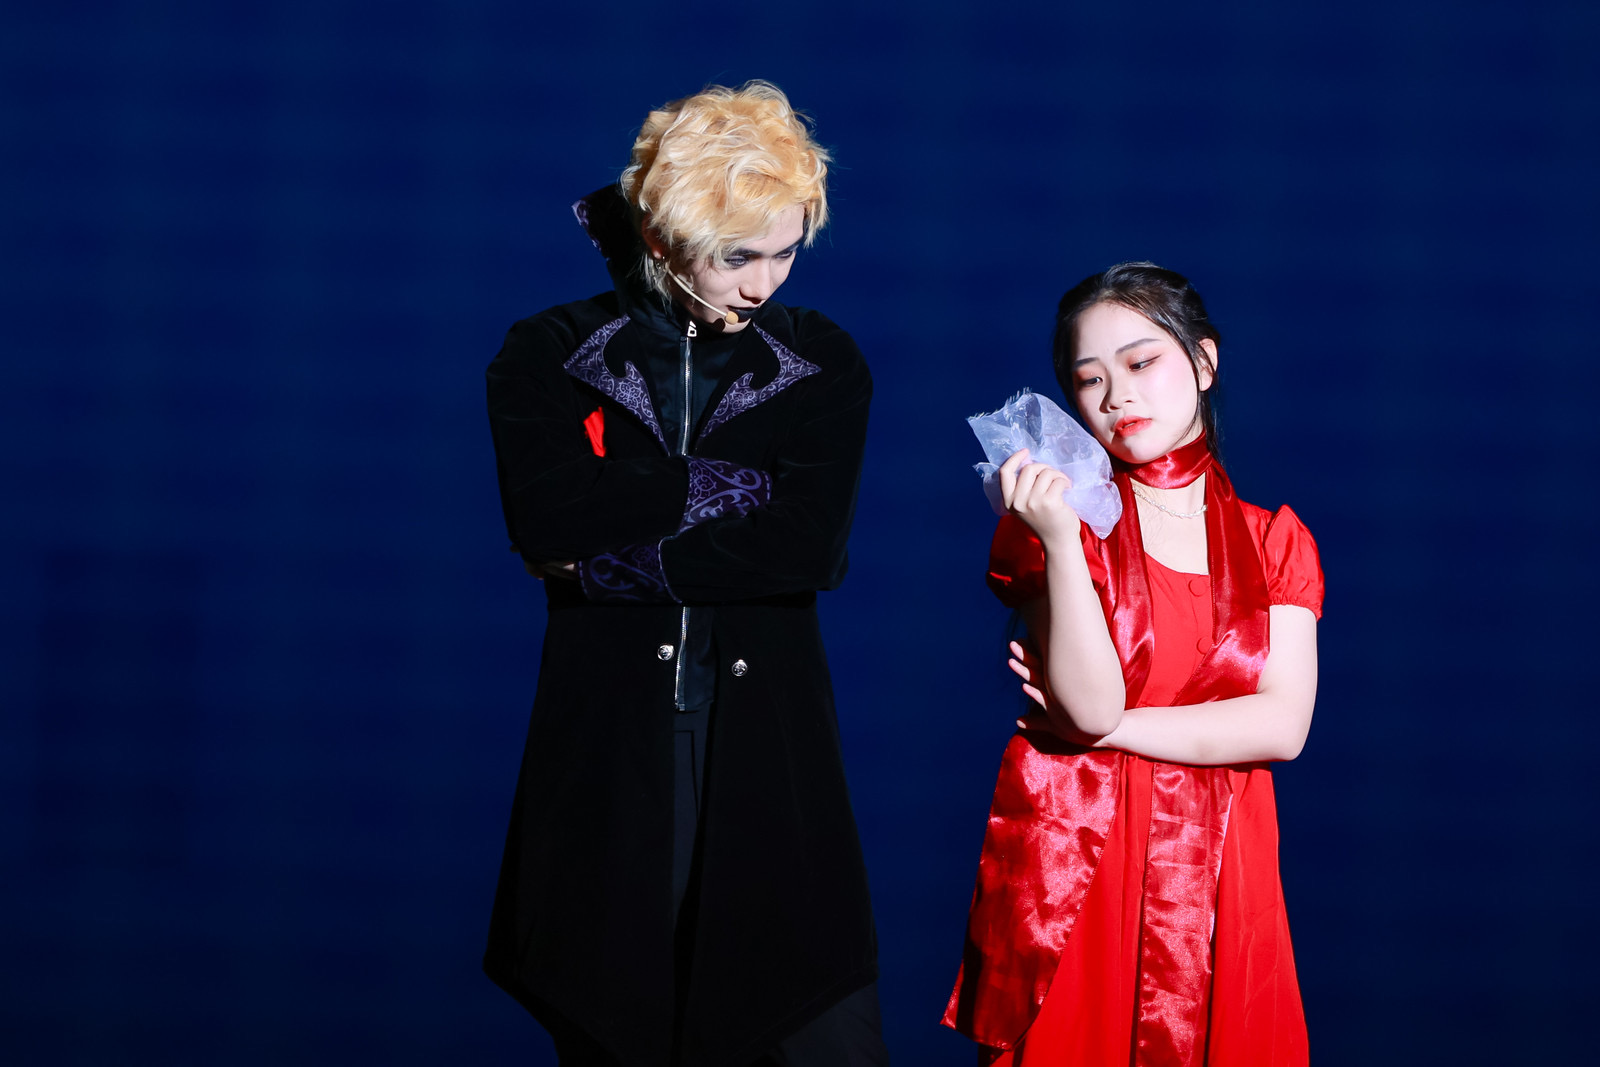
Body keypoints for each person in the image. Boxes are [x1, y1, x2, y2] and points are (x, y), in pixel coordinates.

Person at [482, 82, 886, 1067]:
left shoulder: (819, 358)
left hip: (769, 746)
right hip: (609, 748)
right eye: (737, 256)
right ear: (663, 240)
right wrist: (732, 484)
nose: (763, 284)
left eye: (784, 252)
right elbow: (547, 519)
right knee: (614, 1014)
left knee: (808, 1008)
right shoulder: (548, 352)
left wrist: (606, 562)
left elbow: (806, 549)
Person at [943, 263, 1323, 1065]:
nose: (1117, 395)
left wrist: (1115, 731)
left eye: (1141, 361)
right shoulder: (1060, 529)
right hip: (1085, 867)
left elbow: (1282, 725)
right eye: (1090, 379)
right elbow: (1088, 705)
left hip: (1224, 874)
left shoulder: (1274, 540)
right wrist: (1057, 538)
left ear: (1205, 361)